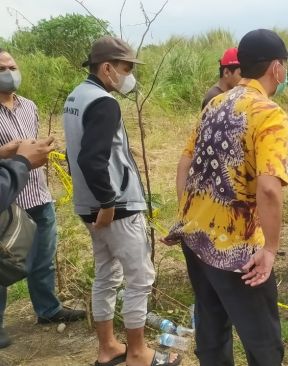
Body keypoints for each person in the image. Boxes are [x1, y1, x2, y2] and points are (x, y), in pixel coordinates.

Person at [164, 29, 288, 365]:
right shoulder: (269, 114)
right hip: (237, 248)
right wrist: (269, 249)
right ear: (277, 69)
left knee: (212, 331)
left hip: (195, 238)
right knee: (263, 342)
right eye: (284, 65)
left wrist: (186, 216)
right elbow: (268, 188)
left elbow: (185, 163)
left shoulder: (215, 103)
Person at [63, 36, 180, 366]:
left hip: (88, 206)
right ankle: (138, 354)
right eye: (126, 68)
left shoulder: (76, 97)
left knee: (106, 276)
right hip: (116, 209)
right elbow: (91, 159)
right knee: (139, 279)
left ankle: (108, 348)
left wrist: (94, 202)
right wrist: (110, 201)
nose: (129, 76)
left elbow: (75, 156)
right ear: (107, 68)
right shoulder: (104, 102)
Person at [0, 48, 85, 349]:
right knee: (3, 265)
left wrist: (42, 148)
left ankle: (47, 310)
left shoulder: (29, 106)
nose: (9, 72)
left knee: (44, 258)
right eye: (2, 68)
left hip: (37, 192)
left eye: (12, 65)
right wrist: (8, 152)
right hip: (7, 203)